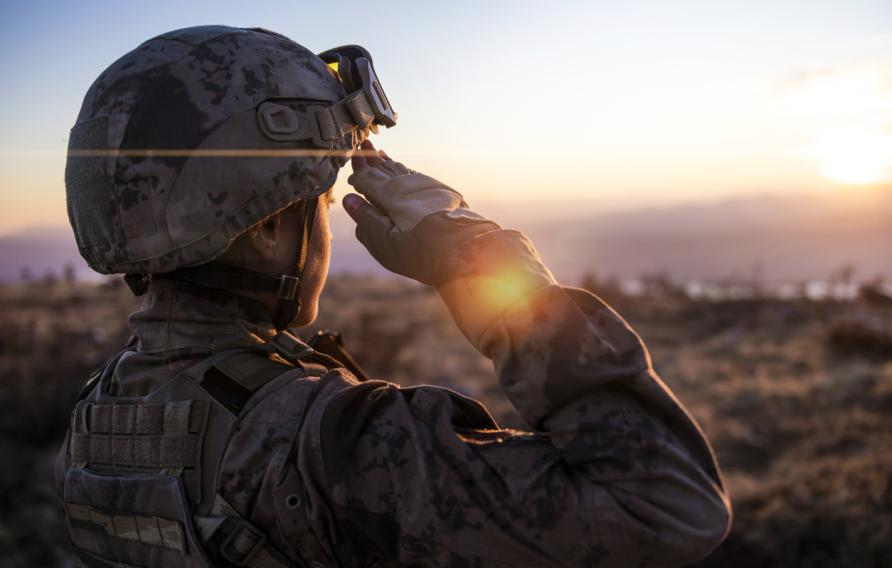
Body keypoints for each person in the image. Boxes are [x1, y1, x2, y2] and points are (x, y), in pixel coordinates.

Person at [56, 25, 730, 567]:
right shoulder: (339, 445)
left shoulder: (97, 416)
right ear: (266, 229)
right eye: (318, 203)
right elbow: (668, 505)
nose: (325, 225)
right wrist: (480, 257)